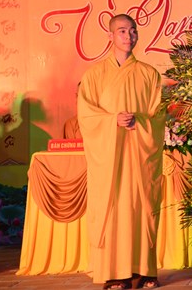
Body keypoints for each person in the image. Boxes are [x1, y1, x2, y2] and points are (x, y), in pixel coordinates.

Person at [78, 14, 165, 289]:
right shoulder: (94, 75)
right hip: (109, 158)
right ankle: (114, 272)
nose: (129, 36)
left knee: (141, 207)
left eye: (133, 31)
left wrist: (140, 121)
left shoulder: (149, 74)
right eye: (122, 31)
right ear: (110, 35)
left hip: (139, 155)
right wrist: (111, 120)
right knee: (113, 208)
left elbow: (158, 115)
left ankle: (144, 269)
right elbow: (86, 116)